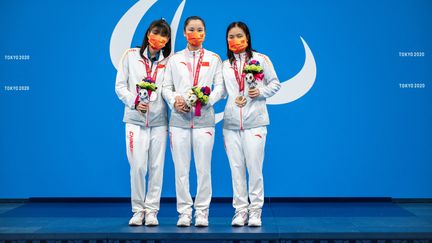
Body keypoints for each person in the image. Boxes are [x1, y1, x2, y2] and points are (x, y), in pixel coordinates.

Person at [162, 16, 224, 227]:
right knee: (181, 169)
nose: (195, 33)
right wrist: (174, 100)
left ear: (205, 33)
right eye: (191, 29)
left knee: (203, 168)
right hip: (178, 121)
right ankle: (184, 213)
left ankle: (203, 212)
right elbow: (165, 88)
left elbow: (220, 88)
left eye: (199, 29)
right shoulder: (174, 59)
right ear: (184, 33)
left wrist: (206, 100)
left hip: (204, 120)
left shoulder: (215, 58)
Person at [222, 21, 280, 227]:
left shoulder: (261, 59)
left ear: (247, 38)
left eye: (239, 36)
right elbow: (220, 92)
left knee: (254, 168)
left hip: (255, 122)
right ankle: (240, 211)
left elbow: (275, 83)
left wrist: (261, 92)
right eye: (231, 36)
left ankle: (256, 211)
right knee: (236, 169)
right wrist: (198, 99)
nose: (235, 40)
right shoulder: (224, 65)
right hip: (230, 125)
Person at [115, 19, 172, 226]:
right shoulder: (130, 55)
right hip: (134, 120)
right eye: (155, 33)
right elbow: (120, 86)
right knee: (138, 167)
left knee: (156, 167)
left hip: (159, 122)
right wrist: (135, 101)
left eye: (163, 35)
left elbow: (169, 89)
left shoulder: (169, 62)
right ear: (148, 33)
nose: (158, 38)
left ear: (167, 41)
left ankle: (152, 211)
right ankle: (138, 210)